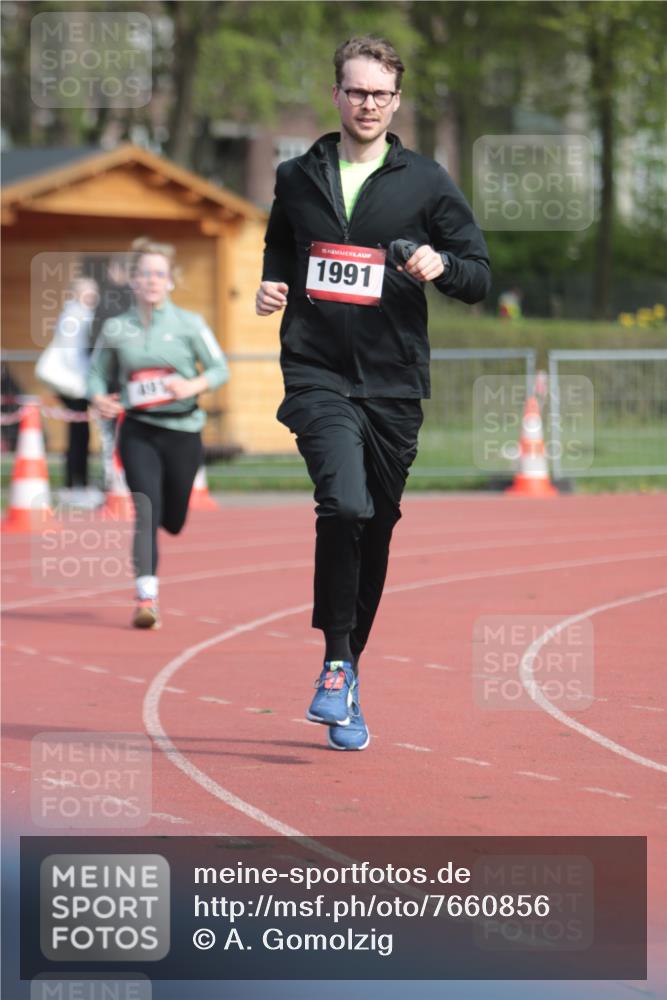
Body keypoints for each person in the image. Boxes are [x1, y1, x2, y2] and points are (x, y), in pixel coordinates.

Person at [255, 35, 491, 750]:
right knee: (345, 503)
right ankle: (334, 663)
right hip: (316, 371)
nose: (368, 104)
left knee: (377, 522)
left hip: (392, 381)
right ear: (337, 94)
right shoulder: (297, 175)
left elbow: (478, 276)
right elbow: (279, 242)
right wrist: (273, 282)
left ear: (396, 101)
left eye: (380, 94)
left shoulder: (426, 181)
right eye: (356, 91)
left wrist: (441, 265)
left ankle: (347, 670)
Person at [88, 238, 228, 629]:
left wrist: (192, 385)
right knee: (145, 510)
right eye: (145, 273)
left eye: (159, 274)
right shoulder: (116, 328)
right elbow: (96, 374)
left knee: (174, 519)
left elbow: (220, 369)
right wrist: (98, 398)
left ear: (170, 281)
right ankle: (146, 598)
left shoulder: (190, 324)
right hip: (138, 431)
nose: (152, 280)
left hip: (183, 430)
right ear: (133, 281)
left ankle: (170, 518)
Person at [53, 276, 102, 508]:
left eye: (93, 291)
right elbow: (71, 354)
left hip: (82, 384)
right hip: (75, 385)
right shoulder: (74, 316)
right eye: (86, 291)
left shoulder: (85, 315)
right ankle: (74, 485)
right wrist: (85, 382)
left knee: (82, 435)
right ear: (75, 293)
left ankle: (79, 483)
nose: (91, 295)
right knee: (78, 435)